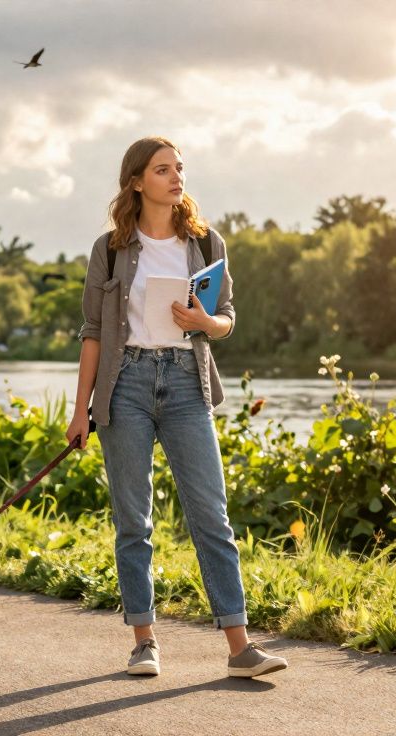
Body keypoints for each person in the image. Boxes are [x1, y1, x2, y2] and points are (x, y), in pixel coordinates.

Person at [66, 136, 287, 679]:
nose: (176, 177)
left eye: (179, 168)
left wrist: (206, 323)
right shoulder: (110, 249)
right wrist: (79, 411)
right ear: (137, 181)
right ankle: (144, 642)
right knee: (133, 521)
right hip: (126, 384)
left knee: (212, 516)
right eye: (163, 169)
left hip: (188, 381)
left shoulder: (206, 243)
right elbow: (93, 332)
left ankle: (240, 649)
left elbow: (226, 317)